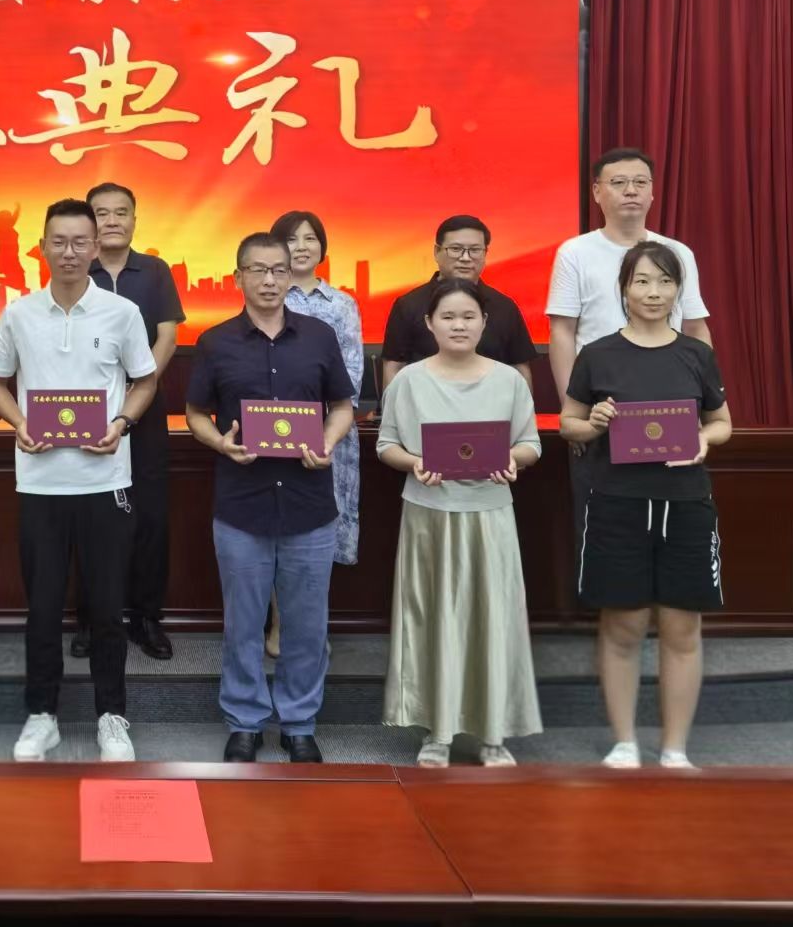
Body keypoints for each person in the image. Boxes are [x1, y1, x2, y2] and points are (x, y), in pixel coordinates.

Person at [0, 198, 158, 763]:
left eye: (81, 242)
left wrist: (121, 423)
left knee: (107, 607)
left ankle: (112, 716)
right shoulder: (19, 313)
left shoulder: (121, 313)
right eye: (58, 242)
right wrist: (19, 423)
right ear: (41, 247)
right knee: (42, 608)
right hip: (41, 483)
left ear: (96, 246)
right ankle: (42, 715)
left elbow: (145, 381)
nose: (70, 252)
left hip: (105, 481)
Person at [560, 241, 731, 770]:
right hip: (617, 503)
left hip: (686, 503)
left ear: (679, 290)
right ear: (624, 290)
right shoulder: (598, 354)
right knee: (624, 626)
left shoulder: (696, 354)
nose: (653, 292)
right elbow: (569, 423)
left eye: (664, 281)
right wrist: (594, 423)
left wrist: (704, 440)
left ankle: (675, 748)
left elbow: (722, 422)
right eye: (642, 281)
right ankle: (625, 743)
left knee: (681, 628)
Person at [185, 232, 356, 763]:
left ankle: (300, 723)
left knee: (307, 624)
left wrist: (327, 442)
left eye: (278, 270)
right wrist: (220, 443)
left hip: (309, 504)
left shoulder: (320, 336)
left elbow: (342, 406)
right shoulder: (215, 342)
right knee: (243, 623)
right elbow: (195, 413)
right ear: (238, 277)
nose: (269, 280)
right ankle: (245, 721)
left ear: (291, 276)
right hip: (242, 504)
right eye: (257, 270)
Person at [376, 278, 544, 767]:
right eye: (447, 317)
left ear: (484, 323)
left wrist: (513, 459)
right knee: (433, 621)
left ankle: (494, 735)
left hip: (490, 516)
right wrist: (414, 463)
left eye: (468, 317)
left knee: (493, 620)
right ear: (429, 323)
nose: (458, 325)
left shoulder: (508, 381)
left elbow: (531, 444)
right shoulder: (408, 381)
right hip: (428, 516)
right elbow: (386, 445)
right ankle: (437, 732)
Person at [547, 147, 711, 546]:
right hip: (602, 406)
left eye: (640, 182)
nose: (631, 191)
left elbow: (695, 327)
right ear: (597, 192)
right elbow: (563, 332)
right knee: (603, 528)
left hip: (668, 402)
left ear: (653, 192)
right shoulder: (575, 252)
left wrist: (702, 403)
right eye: (618, 183)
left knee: (675, 523)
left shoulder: (677, 253)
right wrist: (574, 414)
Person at [73, 181, 185, 663]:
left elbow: (167, 338)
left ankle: (146, 617)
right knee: (90, 517)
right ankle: (91, 618)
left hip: (147, 415)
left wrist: (137, 391)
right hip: (87, 413)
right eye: (102, 213)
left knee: (150, 518)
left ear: (135, 220)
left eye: (122, 212)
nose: (112, 220)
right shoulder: (78, 269)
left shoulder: (155, 271)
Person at [268, 209, 364, 656]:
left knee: (319, 535)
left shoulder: (342, 304)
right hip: (275, 430)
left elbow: (352, 373)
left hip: (331, 434)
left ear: (323, 247)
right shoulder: (268, 293)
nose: (302, 246)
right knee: (277, 529)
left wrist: (324, 430)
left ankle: (311, 627)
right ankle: (278, 627)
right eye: (291, 238)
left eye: (310, 238)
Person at [380, 215, 537, 389]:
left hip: (491, 403)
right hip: (425, 403)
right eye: (456, 249)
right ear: (436, 252)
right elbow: (394, 367)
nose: (465, 258)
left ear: (485, 253)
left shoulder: (505, 307)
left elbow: (520, 369)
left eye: (475, 250)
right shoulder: (408, 305)